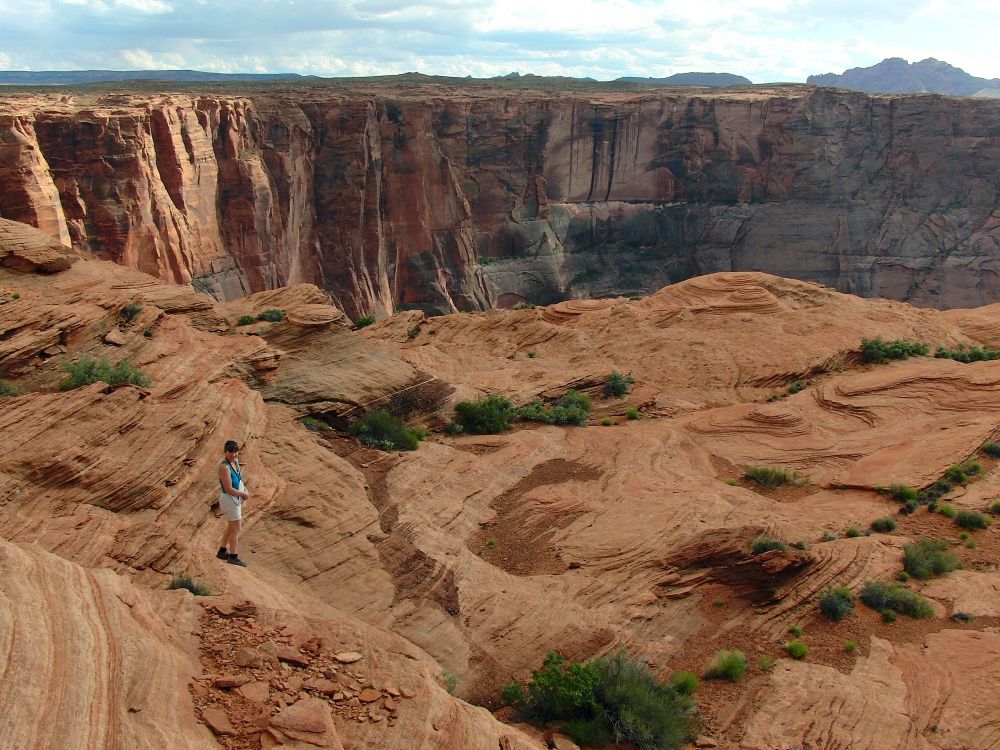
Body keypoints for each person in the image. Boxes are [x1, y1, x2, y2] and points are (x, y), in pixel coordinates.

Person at [216, 439, 249, 567]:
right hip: (229, 499)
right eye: (230, 453)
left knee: (231, 527)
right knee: (236, 528)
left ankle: (222, 551)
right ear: (225, 452)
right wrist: (244, 494)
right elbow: (229, 488)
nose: (233, 455)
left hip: (235, 499)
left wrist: (245, 490)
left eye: (235, 453)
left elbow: (239, 480)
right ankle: (233, 556)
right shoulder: (224, 466)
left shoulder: (235, 462)